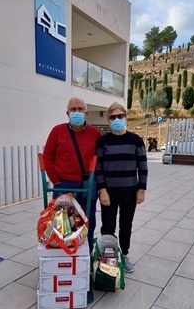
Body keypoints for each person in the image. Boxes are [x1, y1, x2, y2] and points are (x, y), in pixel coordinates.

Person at [43, 97, 102, 251]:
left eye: (80, 109)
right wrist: (56, 181)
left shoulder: (95, 134)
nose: (77, 112)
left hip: (86, 185)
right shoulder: (57, 131)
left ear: (86, 112)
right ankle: (62, 253)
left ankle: (85, 255)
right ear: (67, 112)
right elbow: (48, 157)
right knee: (61, 223)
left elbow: (101, 159)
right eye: (73, 109)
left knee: (86, 221)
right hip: (62, 185)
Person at [95, 102, 148, 272]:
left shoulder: (136, 140)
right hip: (108, 194)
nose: (117, 119)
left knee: (126, 225)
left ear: (125, 117)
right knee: (108, 226)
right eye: (113, 117)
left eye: (120, 116)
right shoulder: (103, 141)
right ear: (109, 120)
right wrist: (102, 190)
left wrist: (141, 189)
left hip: (129, 193)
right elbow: (99, 167)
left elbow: (143, 166)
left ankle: (124, 255)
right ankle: (107, 257)